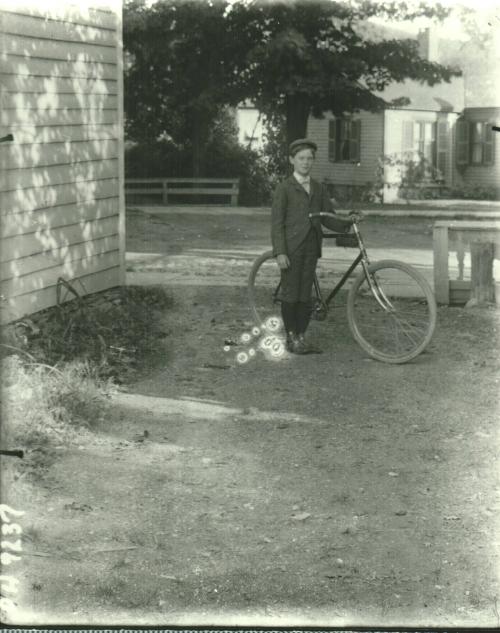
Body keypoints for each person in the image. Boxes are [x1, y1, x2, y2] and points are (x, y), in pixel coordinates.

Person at [271, 138, 352, 354]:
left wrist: (347, 223)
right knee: (291, 293)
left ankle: (301, 337)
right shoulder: (284, 188)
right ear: (292, 160)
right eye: (301, 158)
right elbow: (277, 224)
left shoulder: (318, 188)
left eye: (309, 159)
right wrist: (280, 252)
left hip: (311, 246)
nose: (306, 163)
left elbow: (328, 217)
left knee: (305, 294)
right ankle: (290, 338)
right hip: (292, 248)